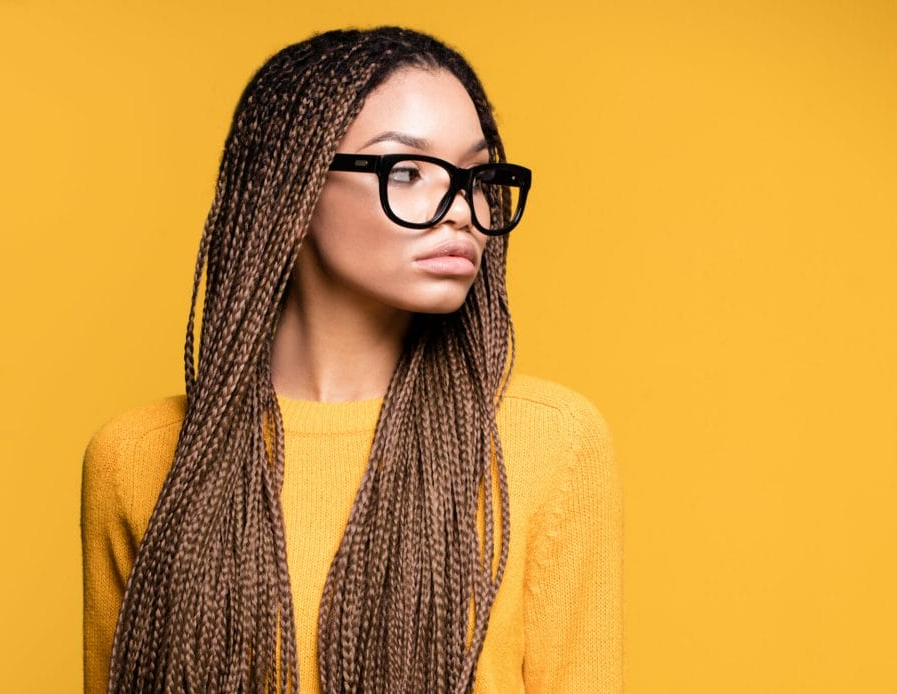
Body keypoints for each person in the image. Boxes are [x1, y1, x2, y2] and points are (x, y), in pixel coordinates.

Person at [81, 26, 623, 694]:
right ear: (294, 189)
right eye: (407, 171)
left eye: (479, 177)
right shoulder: (135, 457)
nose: (463, 211)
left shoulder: (551, 443)